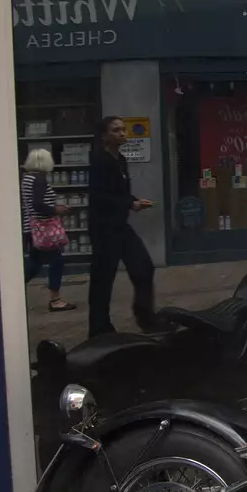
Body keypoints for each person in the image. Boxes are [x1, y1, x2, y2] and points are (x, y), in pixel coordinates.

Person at [88, 116, 157, 337]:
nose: (122, 133)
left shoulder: (121, 160)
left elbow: (120, 193)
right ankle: (99, 328)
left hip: (120, 225)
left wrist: (135, 200)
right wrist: (130, 203)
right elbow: (99, 196)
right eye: (116, 130)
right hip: (103, 228)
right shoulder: (100, 161)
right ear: (104, 136)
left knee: (144, 267)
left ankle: (146, 318)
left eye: (123, 129)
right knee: (103, 279)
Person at [21, 147, 74, 312]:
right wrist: (55, 210)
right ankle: (55, 300)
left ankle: (9, 291)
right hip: (44, 229)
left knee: (34, 264)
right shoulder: (39, 179)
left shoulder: (27, 178)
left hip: (31, 228)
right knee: (56, 261)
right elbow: (38, 204)